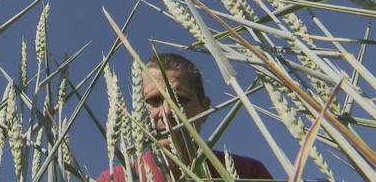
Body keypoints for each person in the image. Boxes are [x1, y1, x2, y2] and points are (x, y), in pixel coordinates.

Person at [96, 53, 273, 181]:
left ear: (205, 109)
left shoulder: (249, 173)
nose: (166, 112)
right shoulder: (112, 179)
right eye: (154, 101)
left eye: (179, 99)